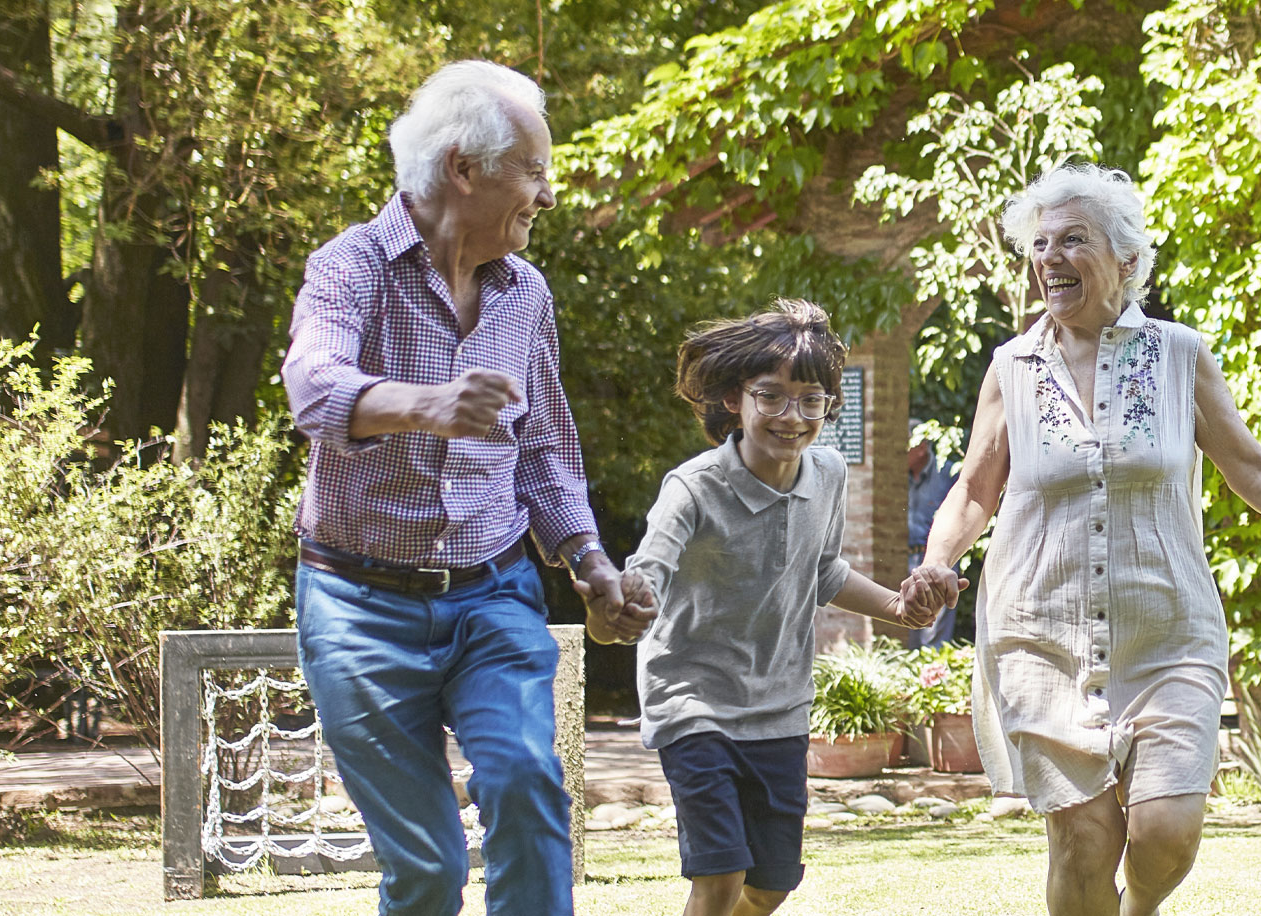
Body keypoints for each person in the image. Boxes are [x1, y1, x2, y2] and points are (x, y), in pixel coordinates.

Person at [906, 163, 1261, 916]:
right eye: (1039, 245)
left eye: (1073, 240)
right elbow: (976, 489)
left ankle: (1139, 908)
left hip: (1168, 628)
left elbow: (1251, 467)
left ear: (1128, 261)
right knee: (1081, 841)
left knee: (1167, 830)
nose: (1049, 258)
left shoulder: (1178, 355)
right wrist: (937, 563)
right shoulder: (1011, 368)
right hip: (1039, 634)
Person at [279, 59, 647, 916]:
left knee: (526, 781)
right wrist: (430, 406)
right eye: (535, 171)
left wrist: (589, 562)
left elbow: (546, 447)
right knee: (427, 870)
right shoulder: (351, 268)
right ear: (463, 167)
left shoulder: (527, 294)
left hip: (493, 592)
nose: (547, 196)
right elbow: (312, 385)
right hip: (358, 606)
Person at [614, 300, 944, 916]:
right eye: (771, 397)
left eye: (810, 400)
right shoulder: (694, 488)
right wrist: (630, 598)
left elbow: (823, 570)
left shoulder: (828, 474)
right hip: (694, 701)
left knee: (770, 886)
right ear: (735, 400)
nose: (791, 417)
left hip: (779, 707)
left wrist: (901, 607)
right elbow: (649, 569)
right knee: (720, 875)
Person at [902, 433, 962, 648]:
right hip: (908, 557)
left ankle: (934, 675)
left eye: (905, 448)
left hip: (939, 556)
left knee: (934, 628)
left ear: (921, 447)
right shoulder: (902, 477)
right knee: (911, 622)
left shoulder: (946, 472)